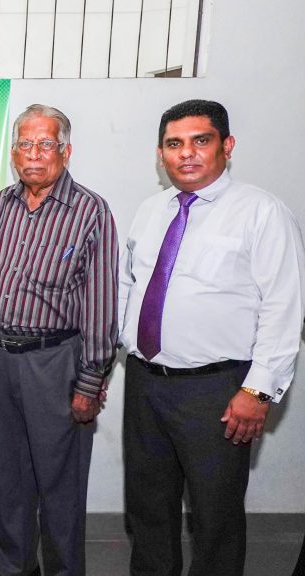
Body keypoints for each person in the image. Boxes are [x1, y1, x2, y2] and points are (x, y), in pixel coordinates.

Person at [119, 99, 304, 576]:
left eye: (200, 141)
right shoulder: (151, 210)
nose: (186, 153)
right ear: (160, 153)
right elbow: (130, 284)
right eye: (174, 144)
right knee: (147, 507)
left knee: (214, 515)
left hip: (218, 391)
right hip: (145, 383)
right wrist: (122, 340)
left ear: (227, 145)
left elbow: (284, 308)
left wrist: (258, 391)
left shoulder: (262, 212)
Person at [0, 104, 118, 576]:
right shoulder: (0, 204)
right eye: (25, 144)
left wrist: (90, 381)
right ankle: (13, 567)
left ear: (66, 151)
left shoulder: (89, 210)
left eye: (45, 144)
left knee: (60, 482)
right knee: (8, 476)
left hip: (55, 361)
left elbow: (101, 301)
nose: (34, 154)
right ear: (13, 152)